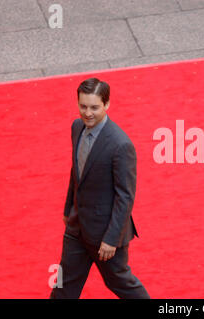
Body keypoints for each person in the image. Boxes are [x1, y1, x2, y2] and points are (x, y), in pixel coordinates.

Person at [50, 78, 150, 299]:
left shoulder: (120, 144)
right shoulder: (77, 127)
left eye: (94, 107)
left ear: (107, 105)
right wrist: (69, 210)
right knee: (63, 285)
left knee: (121, 283)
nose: (87, 113)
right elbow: (76, 172)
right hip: (77, 228)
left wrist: (111, 239)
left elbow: (125, 196)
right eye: (83, 106)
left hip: (105, 235)